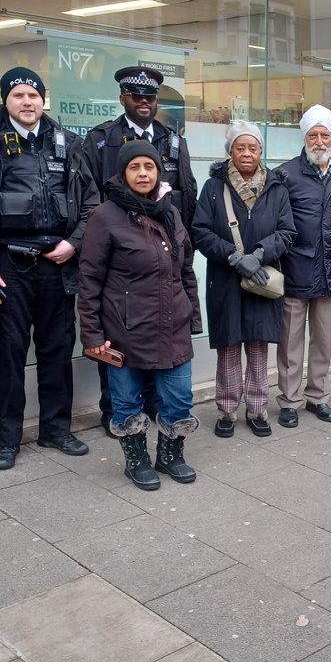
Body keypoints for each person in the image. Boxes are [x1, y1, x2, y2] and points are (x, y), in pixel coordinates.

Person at [0, 67, 99, 471]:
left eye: (33, 96)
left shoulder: (68, 144)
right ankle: (8, 439)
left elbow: (91, 203)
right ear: (5, 100)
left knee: (56, 351)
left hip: (57, 264)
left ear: (42, 100)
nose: (27, 102)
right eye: (18, 95)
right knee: (10, 353)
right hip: (7, 267)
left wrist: (74, 243)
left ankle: (56, 429)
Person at [79, 66, 198, 435]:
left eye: (150, 97)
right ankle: (119, 421)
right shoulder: (100, 140)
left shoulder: (173, 141)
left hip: (162, 257)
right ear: (123, 99)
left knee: (167, 374)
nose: (144, 102)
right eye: (136, 96)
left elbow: (187, 197)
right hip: (121, 260)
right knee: (123, 363)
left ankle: (161, 426)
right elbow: (87, 198)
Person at [78, 141, 201, 490]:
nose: (143, 173)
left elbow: (186, 270)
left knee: (179, 398)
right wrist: (92, 334)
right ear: (123, 173)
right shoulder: (105, 216)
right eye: (135, 167)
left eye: (149, 166)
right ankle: (136, 460)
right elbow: (89, 280)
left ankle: (170, 454)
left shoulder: (170, 212)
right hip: (124, 329)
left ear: (158, 171)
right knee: (127, 400)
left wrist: (192, 316)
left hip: (172, 324)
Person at [192, 122, 296, 437]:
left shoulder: (276, 188)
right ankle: (226, 410)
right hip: (225, 278)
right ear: (230, 151)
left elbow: (287, 232)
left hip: (262, 278)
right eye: (240, 147)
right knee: (228, 346)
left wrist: (260, 254)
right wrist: (233, 256)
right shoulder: (213, 187)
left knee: (257, 346)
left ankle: (256, 409)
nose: (247, 153)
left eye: (253, 148)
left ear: (261, 152)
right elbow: (200, 231)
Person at [274, 104, 331, 428]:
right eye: (313, 135)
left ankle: (318, 397)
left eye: (325, 134)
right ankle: (290, 401)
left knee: (323, 340)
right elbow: (279, 222)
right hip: (296, 268)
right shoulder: (286, 173)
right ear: (304, 138)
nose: (319, 141)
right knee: (290, 341)